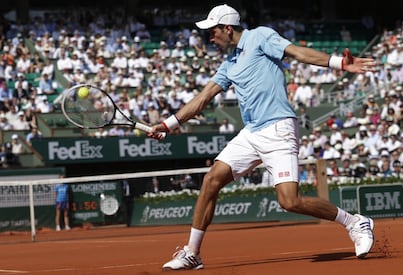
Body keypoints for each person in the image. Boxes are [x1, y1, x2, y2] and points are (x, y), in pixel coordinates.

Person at [149, 4, 376, 270]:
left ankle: (354, 222)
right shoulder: (228, 63)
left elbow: (297, 52)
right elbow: (202, 99)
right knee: (211, 180)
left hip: (279, 128)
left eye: (212, 32)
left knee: (289, 201)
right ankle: (192, 253)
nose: (209, 38)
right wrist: (167, 124)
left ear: (227, 28)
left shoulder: (260, 36)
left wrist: (338, 63)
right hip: (251, 133)